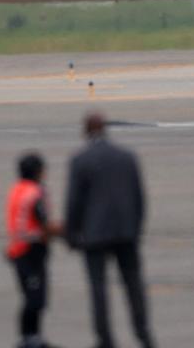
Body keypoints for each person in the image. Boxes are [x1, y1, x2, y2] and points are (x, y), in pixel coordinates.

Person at [66, 112, 155, 348]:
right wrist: (136, 229)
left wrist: (72, 235)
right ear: (105, 129)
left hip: (94, 234)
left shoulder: (80, 160)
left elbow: (74, 202)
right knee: (133, 285)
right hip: (126, 232)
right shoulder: (127, 157)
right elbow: (139, 198)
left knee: (98, 289)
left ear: (85, 131)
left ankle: (105, 340)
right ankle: (143, 334)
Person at [5, 151, 62, 348]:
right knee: (35, 298)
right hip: (30, 251)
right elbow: (44, 223)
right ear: (38, 171)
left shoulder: (17, 189)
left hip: (18, 249)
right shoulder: (35, 193)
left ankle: (33, 337)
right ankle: (28, 338)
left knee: (32, 297)